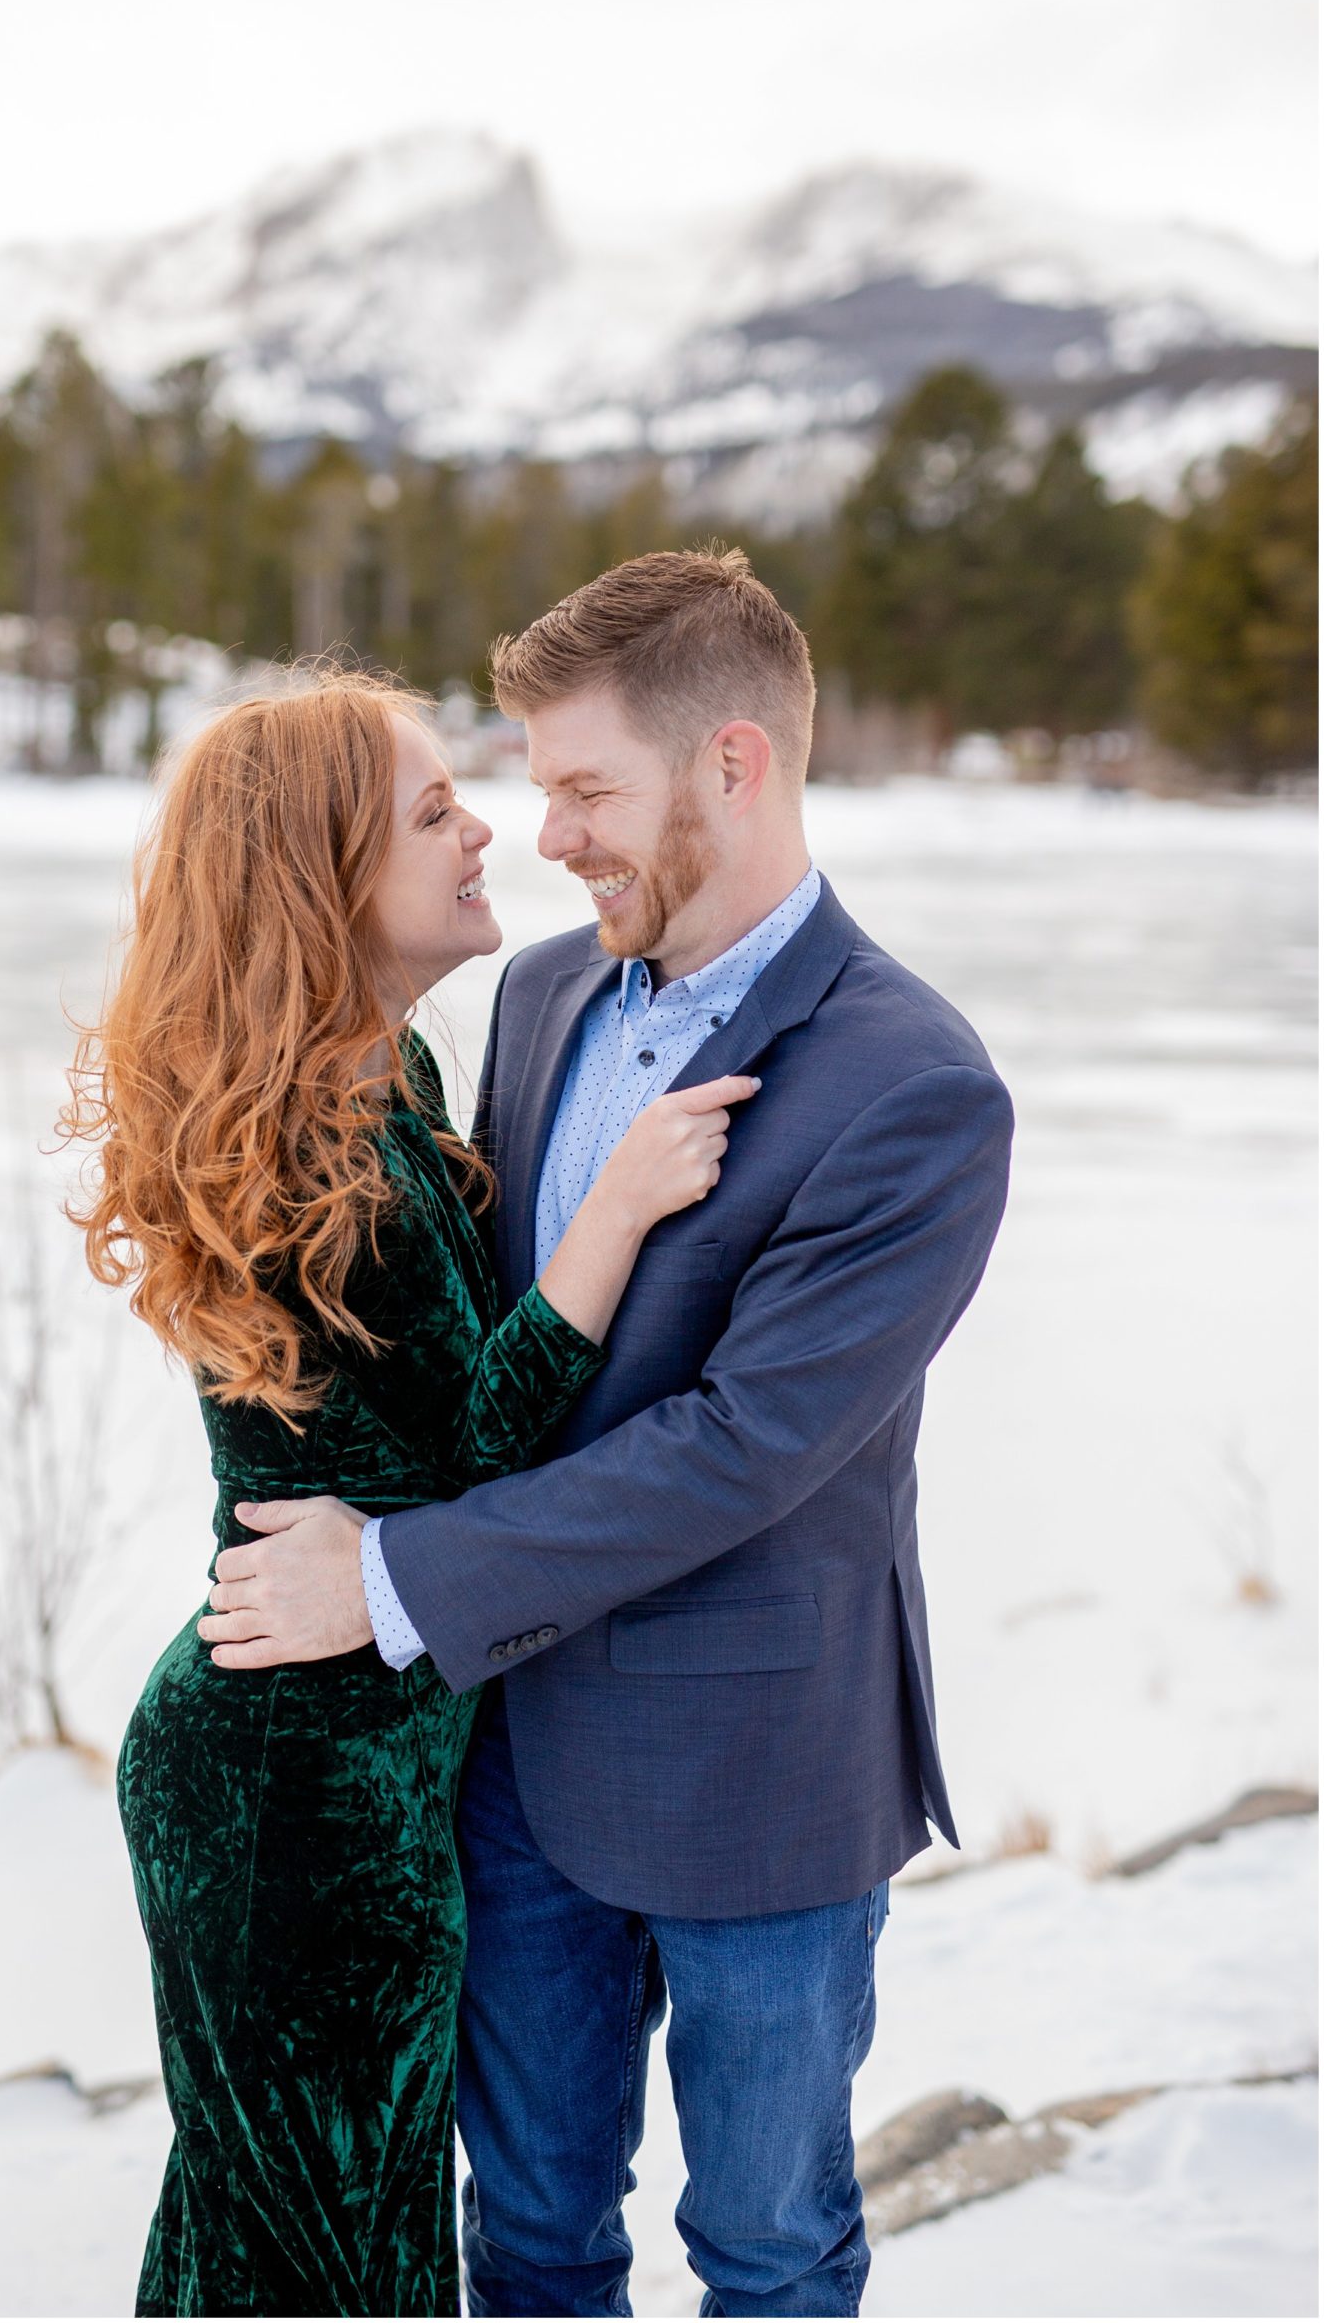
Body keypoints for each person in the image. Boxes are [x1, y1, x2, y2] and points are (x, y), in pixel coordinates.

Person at [203, 548, 1016, 2318]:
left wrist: (399, 1575)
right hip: (504, 1760)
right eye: (530, 788)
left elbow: (742, 1445)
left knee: (769, 2249)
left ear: (735, 765)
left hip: (755, 1788)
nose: (547, 837)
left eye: (587, 791)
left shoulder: (914, 1086)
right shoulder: (544, 995)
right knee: (534, 2240)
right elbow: (486, 1355)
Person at [61, 668, 753, 2319]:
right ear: (323, 873)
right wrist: (618, 1215)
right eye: (434, 809)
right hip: (301, 1796)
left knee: (287, 2232)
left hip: (337, 1750)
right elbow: (466, 1472)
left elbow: (417, 1504)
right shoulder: (320, 1152)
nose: (485, 831)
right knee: (325, 2252)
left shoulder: (386, 1090)